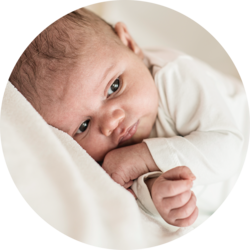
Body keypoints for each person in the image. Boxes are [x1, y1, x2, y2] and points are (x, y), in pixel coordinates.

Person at [7, 7, 249, 228]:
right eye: (83, 126)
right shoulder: (110, 159)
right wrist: (157, 193)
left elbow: (229, 150)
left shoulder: (173, 75)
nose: (111, 123)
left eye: (114, 86)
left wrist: (141, 158)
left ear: (130, 44)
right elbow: (141, 189)